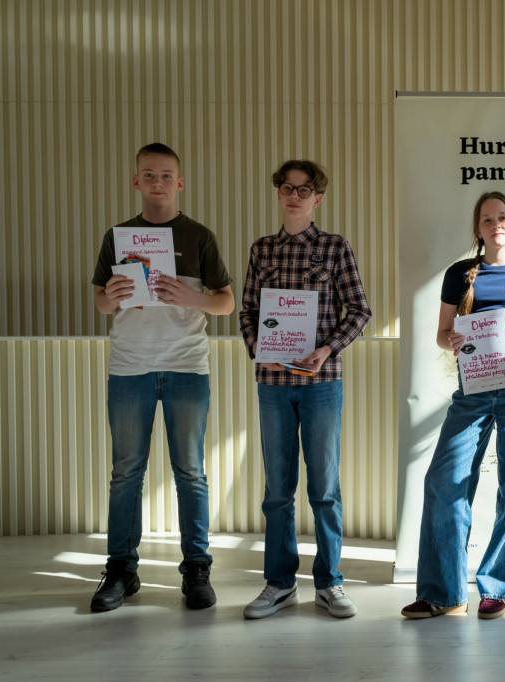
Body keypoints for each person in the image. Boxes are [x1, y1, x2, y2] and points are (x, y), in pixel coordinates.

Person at [90, 142, 234, 612]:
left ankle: (197, 569)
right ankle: (121, 570)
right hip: (129, 366)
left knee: (190, 471)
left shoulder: (199, 236)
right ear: (136, 181)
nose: (158, 182)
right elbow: (101, 302)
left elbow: (226, 301)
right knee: (125, 473)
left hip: (186, 366)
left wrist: (194, 299)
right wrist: (112, 295)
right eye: (149, 175)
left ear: (180, 183)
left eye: (166, 175)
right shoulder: (117, 236)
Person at [401, 191, 505, 621]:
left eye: (503, 217)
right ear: (478, 229)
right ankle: (444, 593)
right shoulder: (460, 274)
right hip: (474, 383)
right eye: (487, 219)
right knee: (443, 480)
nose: (495, 224)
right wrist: (450, 340)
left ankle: (497, 587)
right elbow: (441, 334)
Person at [238, 160, 372, 619]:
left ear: (318, 198)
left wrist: (326, 350)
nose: (294, 195)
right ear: (278, 193)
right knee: (278, 490)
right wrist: (259, 349)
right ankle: (279, 584)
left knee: (325, 488)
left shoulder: (334, 247)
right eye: (286, 187)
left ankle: (329, 582)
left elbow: (360, 310)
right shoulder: (262, 250)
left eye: (304, 189)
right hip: (273, 384)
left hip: (322, 383)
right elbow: (247, 312)